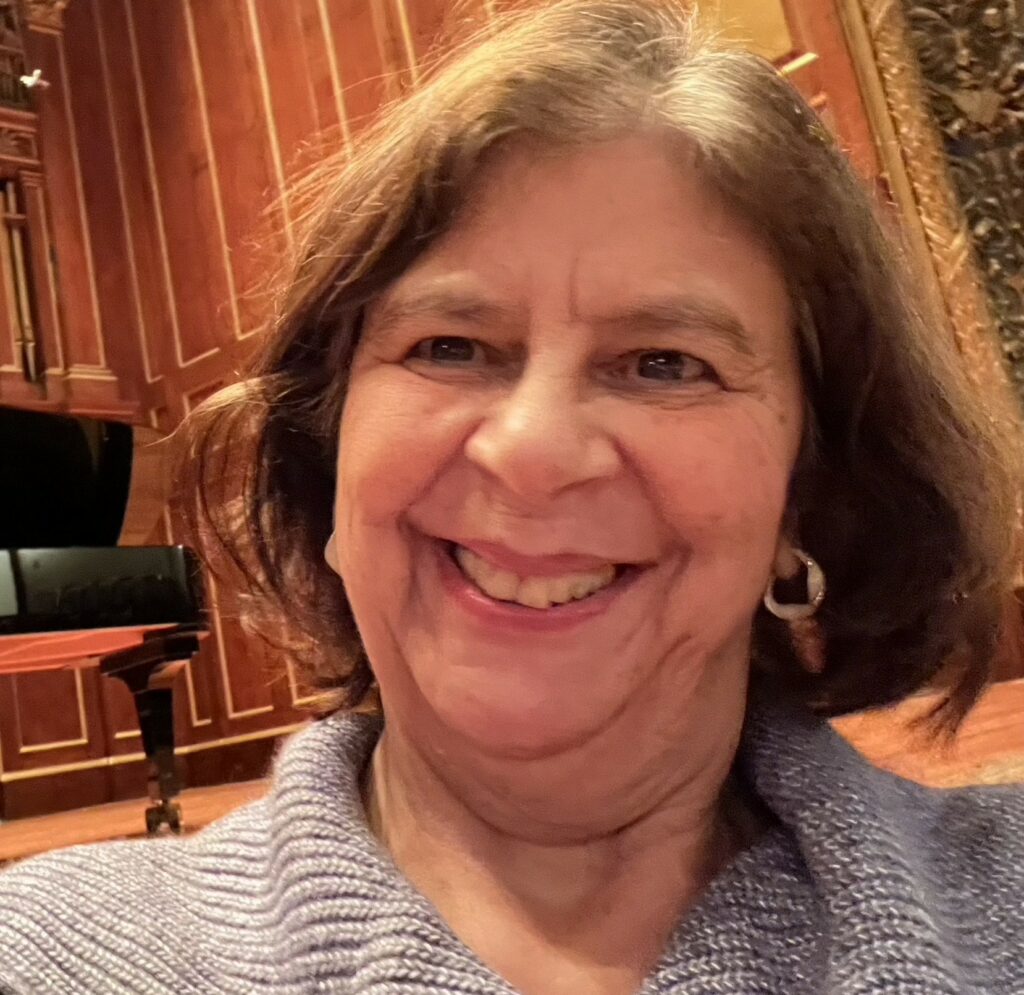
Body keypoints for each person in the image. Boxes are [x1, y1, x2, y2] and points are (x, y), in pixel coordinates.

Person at [2, 2, 1023, 993]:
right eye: (449, 346)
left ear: (807, 491)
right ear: (329, 461)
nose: (531, 450)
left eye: (665, 362)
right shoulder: (44, 953)